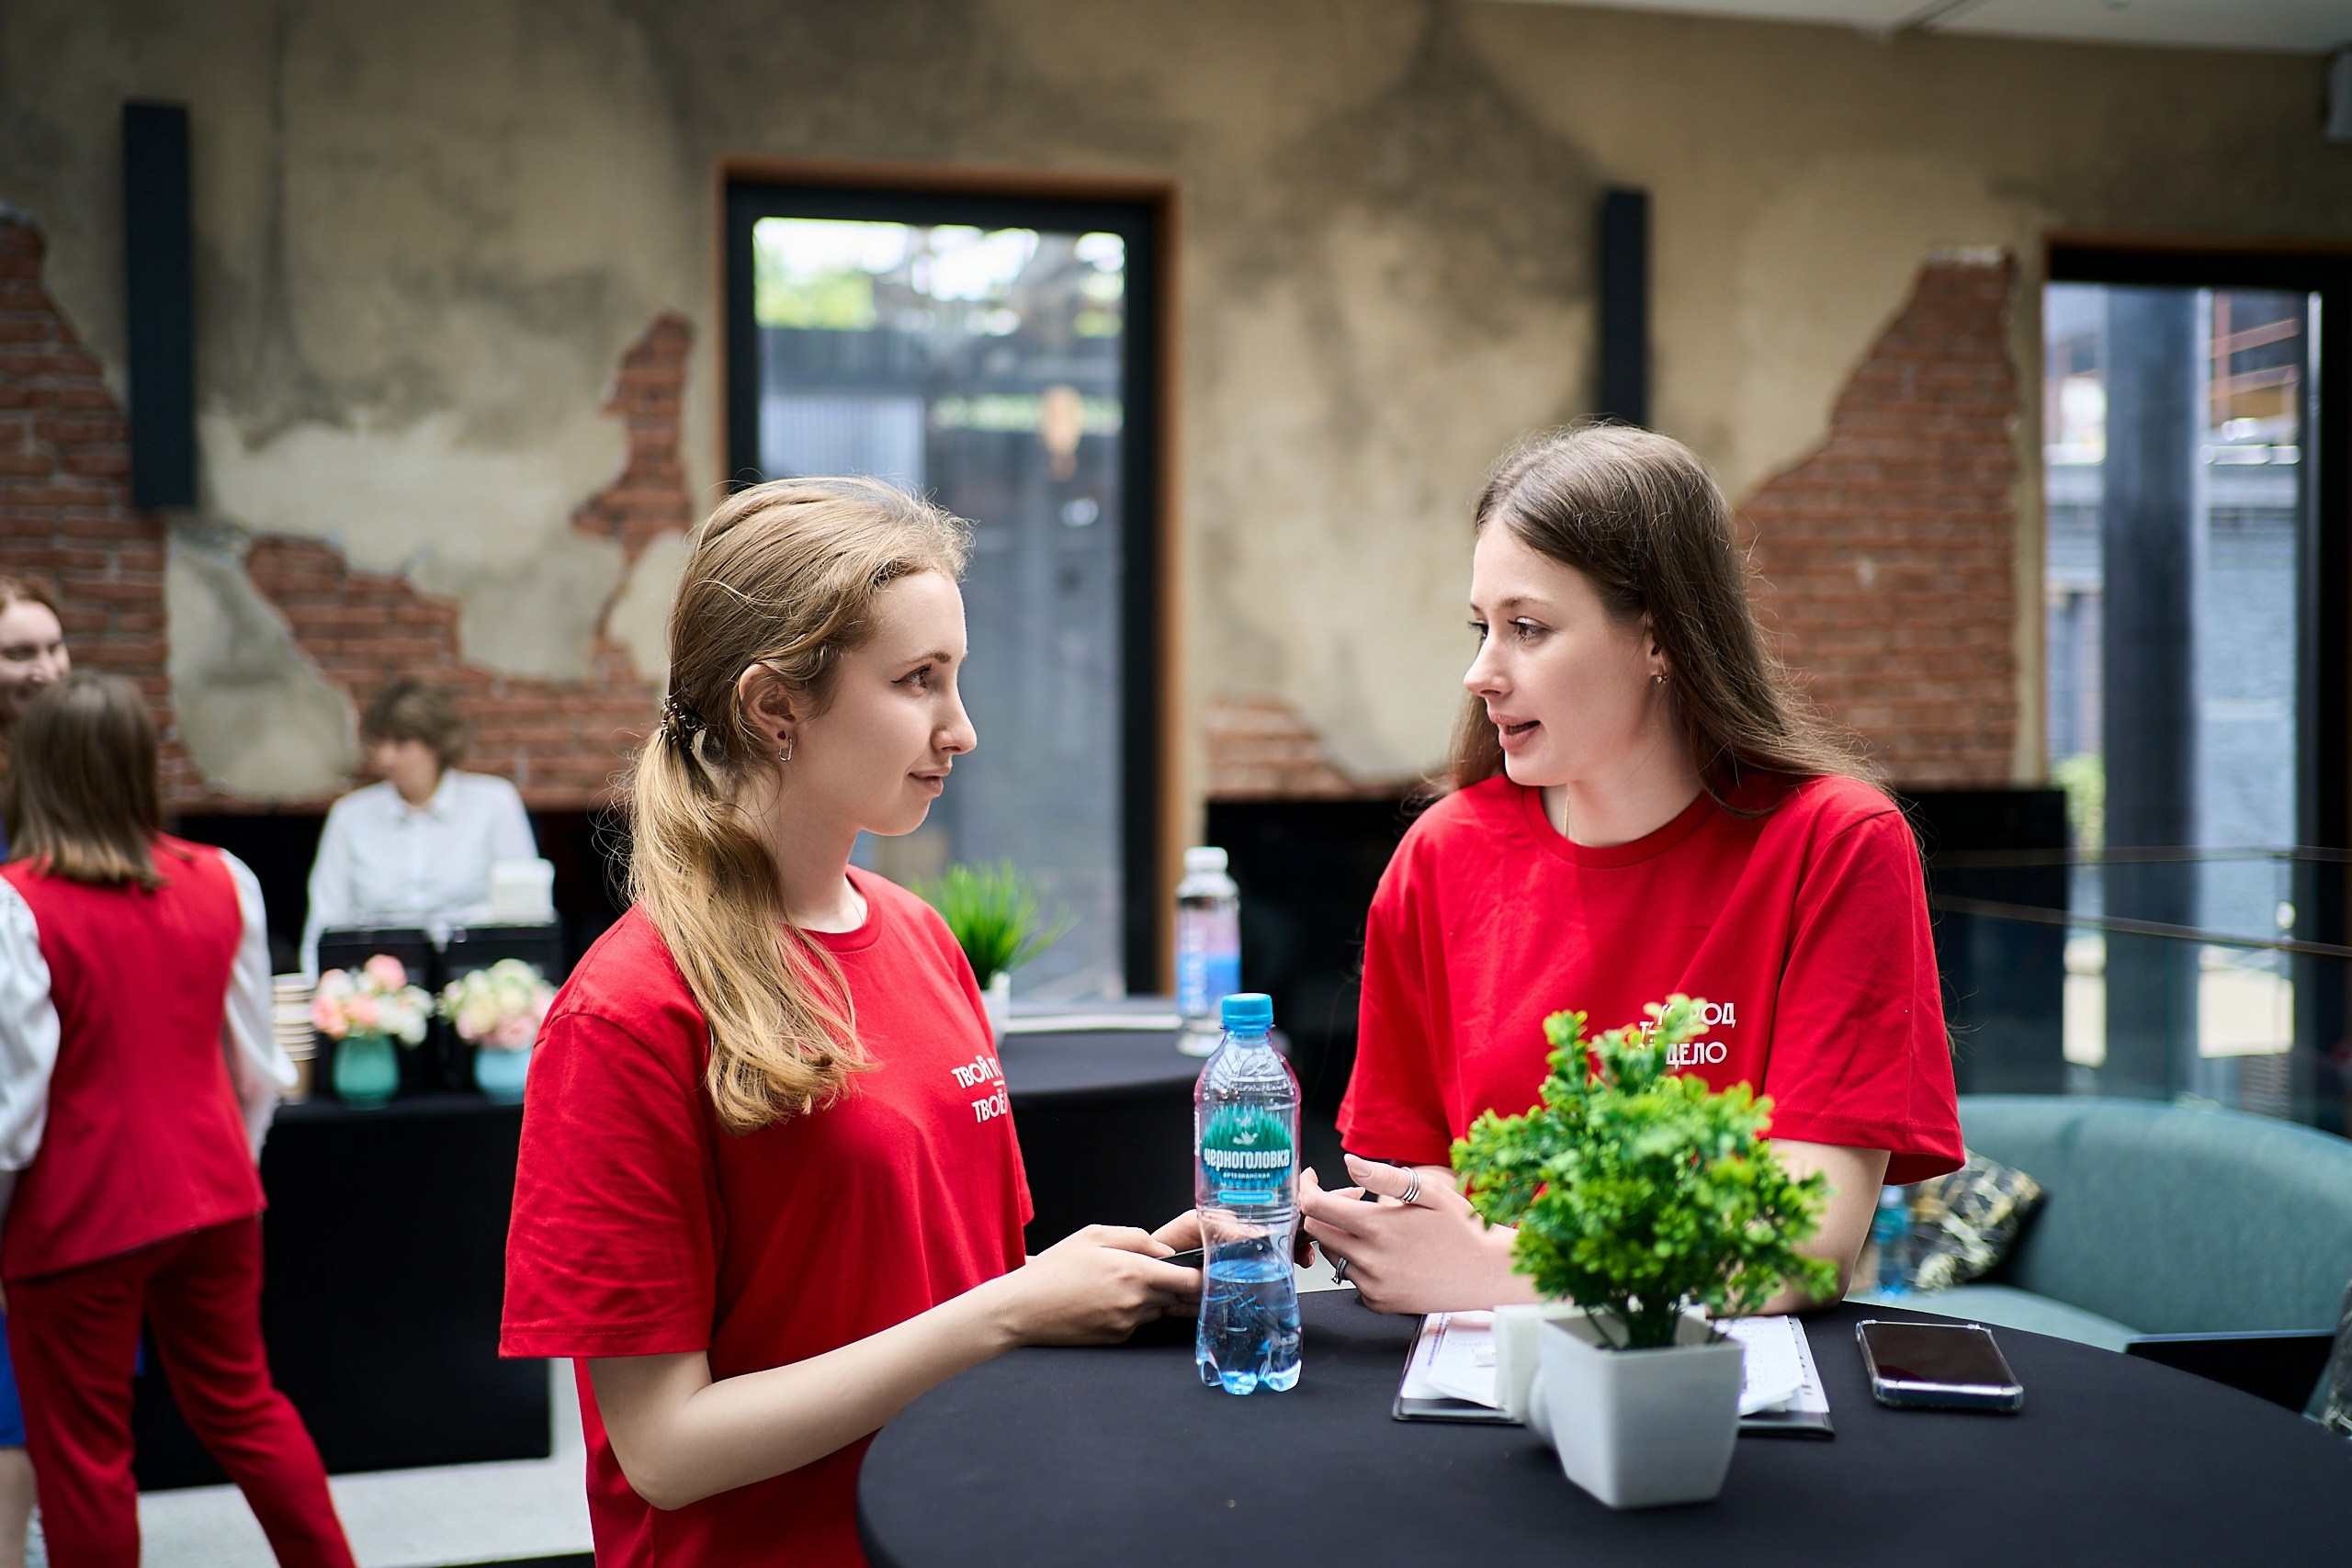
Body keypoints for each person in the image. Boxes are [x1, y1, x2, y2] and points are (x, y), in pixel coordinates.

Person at [501, 477, 1200, 1565]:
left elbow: (948, 1292)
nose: (959, 730)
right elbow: (665, 1449)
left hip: (954, 1527)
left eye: (954, 679)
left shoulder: (921, 938)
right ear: (774, 708)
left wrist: (1120, 1281)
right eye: (918, 682)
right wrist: (1010, 1312)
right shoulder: (626, 1013)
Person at [1305, 426, 1965, 1317]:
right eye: (1481, 628)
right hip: (1470, 1381)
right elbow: (1405, 1179)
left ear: (1657, 635)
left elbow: (1807, 1247)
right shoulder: (1440, 856)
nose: (1478, 674)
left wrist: (1502, 1271)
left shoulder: (1835, 846)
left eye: (1526, 629)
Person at [0, 674, 355, 1565]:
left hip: (74, 1218)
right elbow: (258, 1067)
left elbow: (15, 1108)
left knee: (84, 1459)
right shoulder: (224, 880)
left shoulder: (16, 903)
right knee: (247, 1409)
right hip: (217, 1195)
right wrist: (234, 1166)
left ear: (32, 771)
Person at [300, 678, 537, 976]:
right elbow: (325, 919)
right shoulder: (349, 815)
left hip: (477, 981)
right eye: (379, 742)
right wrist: (322, 995)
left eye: (402, 742)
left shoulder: (494, 802)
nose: (386, 757)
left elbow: (527, 911)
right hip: (376, 992)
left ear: (436, 743)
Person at [0, 572, 67, 1568]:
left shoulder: (71, 767)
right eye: (20, 654)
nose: (47, 669)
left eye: (53, 647)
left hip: (55, 1099)